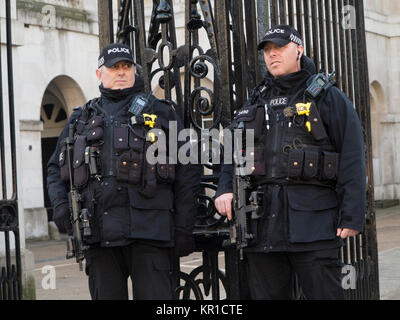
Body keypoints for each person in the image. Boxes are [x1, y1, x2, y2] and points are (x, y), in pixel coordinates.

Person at [215, 25, 366, 300]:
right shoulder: (256, 99)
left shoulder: (327, 96)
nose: (272, 55)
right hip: (262, 226)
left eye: (279, 48)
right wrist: (224, 188)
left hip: (314, 222)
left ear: (299, 49)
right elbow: (233, 151)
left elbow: (353, 155)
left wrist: (352, 214)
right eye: (268, 51)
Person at [47, 43, 200, 300]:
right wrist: (60, 206)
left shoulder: (161, 112)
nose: (120, 72)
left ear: (134, 71)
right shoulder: (80, 118)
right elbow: (54, 168)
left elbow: (188, 169)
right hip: (99, 235)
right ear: (99, 74)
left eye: (126, 66)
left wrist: (184, 226)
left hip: (150, 235)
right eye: (114, 67)